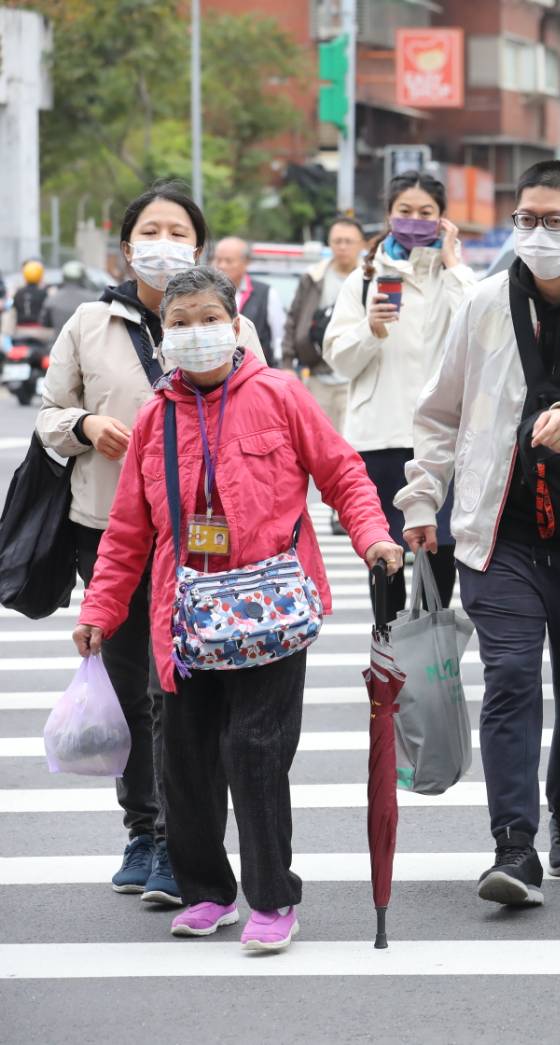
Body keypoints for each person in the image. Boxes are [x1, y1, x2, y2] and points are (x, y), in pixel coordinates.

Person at [71, 265, 401, 951]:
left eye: (206, 318)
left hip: (270, 613)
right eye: (180, 322)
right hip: (183, 615)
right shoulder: (154, 418)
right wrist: (101, 609)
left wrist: (373, 537)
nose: (195, 333)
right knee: (183, 764)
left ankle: (274, 899)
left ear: (235, 323)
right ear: (165, 336)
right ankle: (208, 891)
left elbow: (343, 474)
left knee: (253, 753)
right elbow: (130, 531)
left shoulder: (281, 394)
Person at [396, 160, 560, 907]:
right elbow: (438, 412)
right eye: (525, 219)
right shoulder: (482, 304)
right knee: (510, 679)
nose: (536, 234)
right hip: (497, 531)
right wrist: (422, 501)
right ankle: (513, 846)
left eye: (553, 221)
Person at [36, 181, 266, 905]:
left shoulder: (230, 324)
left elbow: (262, 409)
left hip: (205, 546)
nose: (163, 242)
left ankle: (182, 837)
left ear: (197, 248)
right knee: (134, 690)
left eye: (178, 232)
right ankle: (145, 829)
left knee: (187, 694)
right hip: (109, 530)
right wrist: (82, 429)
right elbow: (48, 412)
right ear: (127, 241)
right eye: (151, 229)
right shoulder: (87, 324)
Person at [324, 172, 476, 616]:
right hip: (381, 437)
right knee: (385, 553)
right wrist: (370, 331)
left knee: (441, 548)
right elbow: (339, 359)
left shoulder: (452, 277)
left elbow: (483, 330)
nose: (414, 221)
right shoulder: (364, 279)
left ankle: (427, 653)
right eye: (405, 212)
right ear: (389, 215)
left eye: (426, 213)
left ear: (442, 220)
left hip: (441, 438)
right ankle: (388, 655)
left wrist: (453, 261)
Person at [282, 216, 366, 434]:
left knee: (353, 445)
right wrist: (288, 363)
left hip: (356, 378)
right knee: (318, 440)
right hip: (318, 374)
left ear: (361, 245)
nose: (342, 246)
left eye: (349, 241)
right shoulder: (313, 277)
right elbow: (293, 319)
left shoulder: (369, 279)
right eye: (337, 241)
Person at [212, 237, 285, 367]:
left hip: (255, 371)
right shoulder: (206, 294)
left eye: (228, 261)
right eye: (218, 260)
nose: (221, 266)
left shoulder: (266, 293)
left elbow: (279, 337)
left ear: (245, 262)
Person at [43, 261, 101, 343]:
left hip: (57, 348)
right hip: (84, 349)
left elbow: (45, 323)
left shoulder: (52, 299)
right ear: (82, 278)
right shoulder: (92, 300)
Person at [13, 260, 50, 326]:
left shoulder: (19, 293)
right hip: (39, 329)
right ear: (40, 276)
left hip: (20, 329)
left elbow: (14, 308)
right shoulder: (43, 293)